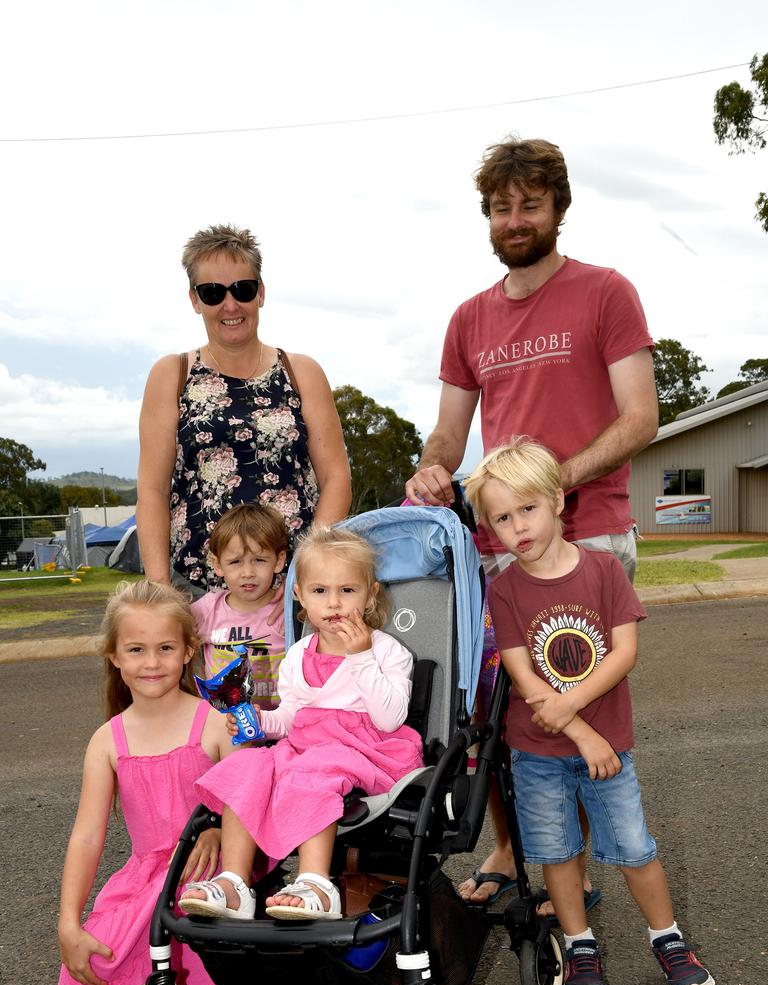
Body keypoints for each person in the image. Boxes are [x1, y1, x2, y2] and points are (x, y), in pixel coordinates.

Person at [405, 135, 659, 906]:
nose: (516, 219)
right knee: (510, 713)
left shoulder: (606, 292)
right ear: (487, 217)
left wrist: (556, 481)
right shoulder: (469, 318)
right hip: (500, 544)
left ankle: (595, 865)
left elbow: (640, 417)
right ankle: (524, 856)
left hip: (593, 529)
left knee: (584, 696)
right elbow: (452, 430)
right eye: (502, 207)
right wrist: (433, 466)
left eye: (531, 204)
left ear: (558, 209)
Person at [461, 439, 714, 985]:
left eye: (527, 509)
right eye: (502, 518)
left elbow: (623, 653)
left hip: (609, 751)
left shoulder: (601, 570)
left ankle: (668, 940)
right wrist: (578, 731)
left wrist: (574, 710)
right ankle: (578, 944)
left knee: (634, 846)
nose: (518, 527)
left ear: (557, 500)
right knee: (554, 851)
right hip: (538, 754)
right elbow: (524, 677)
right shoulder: (503, 591)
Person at [179, 526, 424, 920]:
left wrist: (361, 657)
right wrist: (262, 721)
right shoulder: (296, 655)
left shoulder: (386, 651)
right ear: (300, 596)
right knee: (245, 766)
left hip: (366, 750)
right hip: (305, 745)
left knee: (312, 770)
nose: (334, 604)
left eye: (348, 591)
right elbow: (292, 717)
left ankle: (315, 883)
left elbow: (390, 717)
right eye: (320, 591)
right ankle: (235, 882)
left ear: (370, 593)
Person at [137, 223, 352, 594]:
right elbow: (152, 490)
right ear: (194, 300)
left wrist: (308, 571)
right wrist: (159, 591)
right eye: (212, 292)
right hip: (198, 589)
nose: (230, 304)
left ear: (261, 293)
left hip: (291, 591)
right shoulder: (172, 375)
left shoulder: (302, 373)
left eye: (243, 289)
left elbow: (336, 478)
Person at [57, 581, 232, 985]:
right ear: (114, 656)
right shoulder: (107, 741)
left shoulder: (215, 723)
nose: (151, 662)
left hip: (209, 870)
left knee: (191, 919)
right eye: (136, 650)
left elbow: (249, 804)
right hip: (144, 878)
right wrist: (68, 924)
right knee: (92, 957)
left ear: (189, 649)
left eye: (166, 647)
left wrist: (216, 830)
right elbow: (87, 836)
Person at [192, 503, 288, 709]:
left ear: (279, 561)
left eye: (259, 560)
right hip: (221, 724)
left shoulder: (287, 611)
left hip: (279, 723)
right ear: (217, 565)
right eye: (235, 562)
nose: (247, 572)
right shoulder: (206, 610)